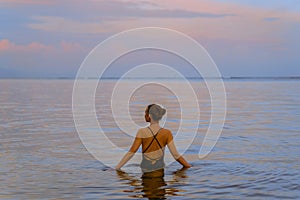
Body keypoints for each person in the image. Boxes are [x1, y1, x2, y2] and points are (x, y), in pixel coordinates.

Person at [116, 104, 191, 176]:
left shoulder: (142, 132)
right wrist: (188, 166)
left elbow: (131, 153)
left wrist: (117, 168)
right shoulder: (167, 133)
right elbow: (175, 155)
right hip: (160, 168)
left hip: (146, 168)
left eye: (145, 112)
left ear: (149, 115)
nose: (144, 115)